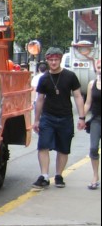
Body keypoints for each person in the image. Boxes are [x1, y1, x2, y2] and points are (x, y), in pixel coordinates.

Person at [32, 47, 86, 189]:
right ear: (47, 60)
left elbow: (78, 96)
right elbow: (40, 100)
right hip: (48, 117)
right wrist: (36, 120)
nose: (54, 62)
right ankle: (44, 176)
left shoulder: (70, 76)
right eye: (51, 60)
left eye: (56, 60)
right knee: (43, 145)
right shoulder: (44, 79)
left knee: (63, 148)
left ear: (60, 60)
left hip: (65, 116)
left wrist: (82, 117)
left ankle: (59, 175)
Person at [84, 58, 101, 190]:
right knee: (93, 148)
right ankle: (95, 176)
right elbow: (88, 103)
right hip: (96, 120)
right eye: (99, 67)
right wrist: (81, 118)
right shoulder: (91, 84)